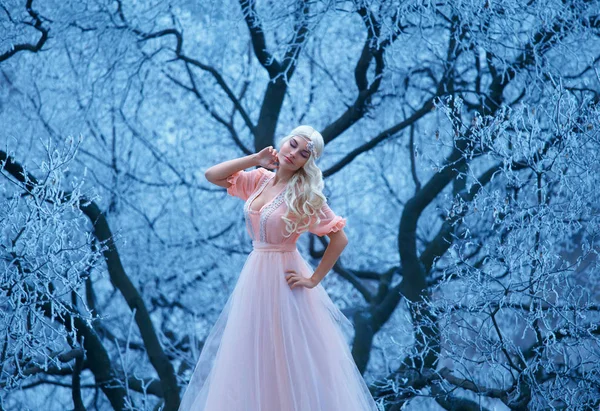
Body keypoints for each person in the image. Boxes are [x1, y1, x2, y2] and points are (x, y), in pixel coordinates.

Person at [178, 125, 379, 411]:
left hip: (284, 277)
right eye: (292, 145)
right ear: (283, 143)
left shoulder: (305, 195)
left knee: (286, 355)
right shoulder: (259, 179)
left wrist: (313, 279)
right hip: (255, 273)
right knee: (250, 352)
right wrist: (254, 160)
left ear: (308, 163)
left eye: (303, 153)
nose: (294, 153)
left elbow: (339, 238)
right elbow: (212, 175)